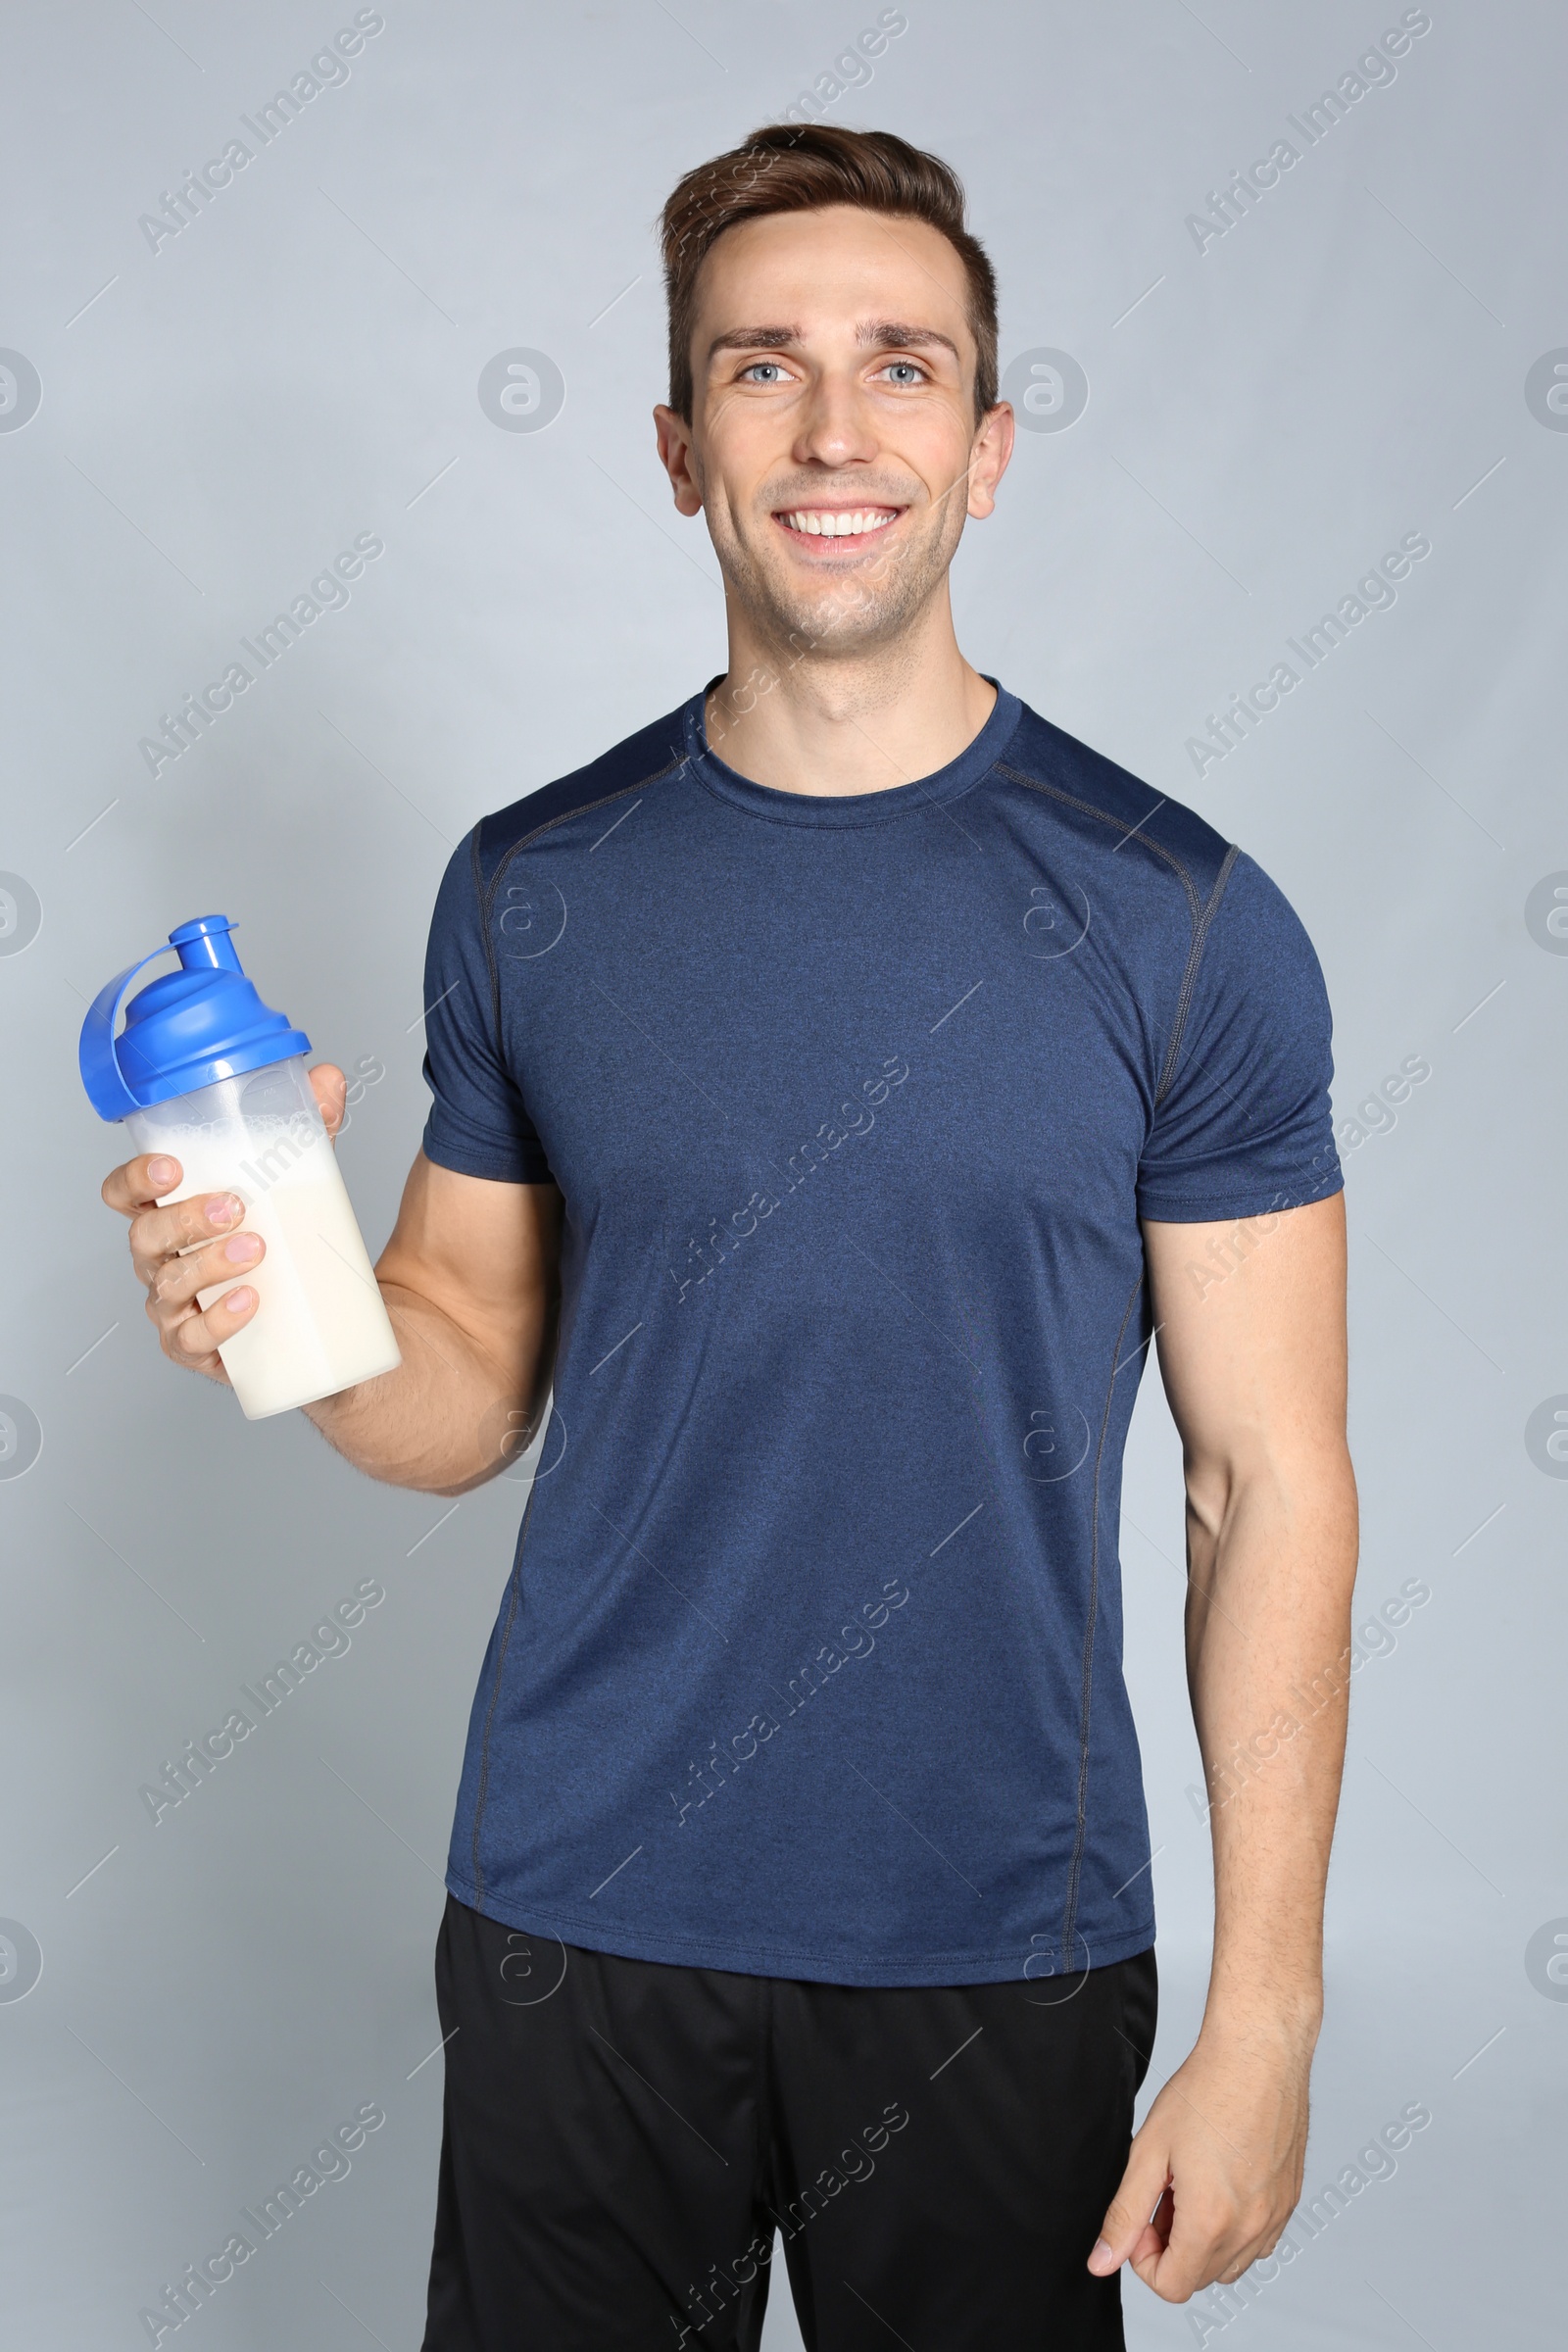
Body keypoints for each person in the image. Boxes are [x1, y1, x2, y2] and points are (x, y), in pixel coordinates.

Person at [102, 124, 1358, 2352]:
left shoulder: (1178, 922)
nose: (833, 428)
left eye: (899, 366)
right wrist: (270, 1297)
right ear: (681, 451)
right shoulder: (528, 887)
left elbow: (1262, 1485)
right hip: (577, 1915)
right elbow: (464, 1385)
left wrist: (1260, 2024)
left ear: (985, 447)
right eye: (762, 372)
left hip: (996, 1936)